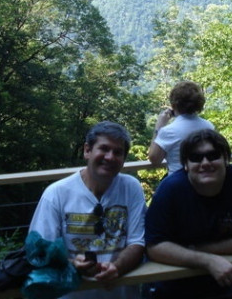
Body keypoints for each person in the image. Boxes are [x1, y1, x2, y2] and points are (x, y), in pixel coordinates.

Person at [145, 129, 232, 299]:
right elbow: (154, 247)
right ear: (186, 165)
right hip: (173, 286)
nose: (205, 163)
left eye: (213, 155)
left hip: (228, 283)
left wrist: (195, 250)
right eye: (196, 158)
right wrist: (208, 261)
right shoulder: (170, 189)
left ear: (226, 158)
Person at [29, 121, 147, 299]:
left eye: (118, 152)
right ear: (87, 150)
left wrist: (117, 267)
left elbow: (137, 242)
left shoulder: (132, 187)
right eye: (104, 149)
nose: (110, 157)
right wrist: (71, 264)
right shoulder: (56, 193)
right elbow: (39, 251)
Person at [148, 81, 215, 174]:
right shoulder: (209, 126)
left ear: (174, 105)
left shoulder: (169, 131)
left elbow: (154, 159)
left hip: (179, 182)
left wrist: (159, 126)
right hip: (204, 179)